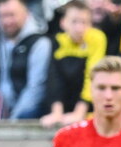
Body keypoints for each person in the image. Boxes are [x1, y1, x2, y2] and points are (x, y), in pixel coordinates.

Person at [40, 0, 106, 128]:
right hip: (63, 104)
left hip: (88, 106)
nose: (80, 28)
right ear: (63, 23)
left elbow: (92, 75)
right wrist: (56, 112)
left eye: (84, 22)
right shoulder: (57, 41)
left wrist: (79, 112)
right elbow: (54, 77)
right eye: (74, 22)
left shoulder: (97, 38)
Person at [0, 0, 52, 119]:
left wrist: (12, 119)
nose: (7, 21)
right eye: (2, 16)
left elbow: (35, 89)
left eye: (11, 15)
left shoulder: (39, 43)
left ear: (26, 14)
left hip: (28, 112)